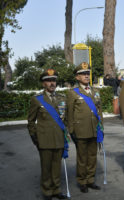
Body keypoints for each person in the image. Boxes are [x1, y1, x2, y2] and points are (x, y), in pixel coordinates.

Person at [27, 69, 68, 200]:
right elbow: (31, 121)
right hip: (44, 139)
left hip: (59, 138)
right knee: (46, 167)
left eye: (54, 80)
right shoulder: (37, 99)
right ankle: (47, 191)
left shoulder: (62, 98)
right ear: (43, 83)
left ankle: (56, 189)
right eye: (49, 81)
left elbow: (65, 119)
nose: (52, 83)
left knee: (57, 166)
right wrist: (34, 137)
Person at [66, 62, 103, 193]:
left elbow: (99, 111)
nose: (86, 76)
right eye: (83, 74)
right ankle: (82, 181)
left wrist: (101, 128)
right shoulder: (72, 93)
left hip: (94, 129)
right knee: (82, 158)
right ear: (77, 77)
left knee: (93, 156)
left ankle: (90, 180)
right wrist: (71, 131)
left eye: (87, 73)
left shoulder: (96, 91)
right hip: (80, 131)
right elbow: (69, 114)